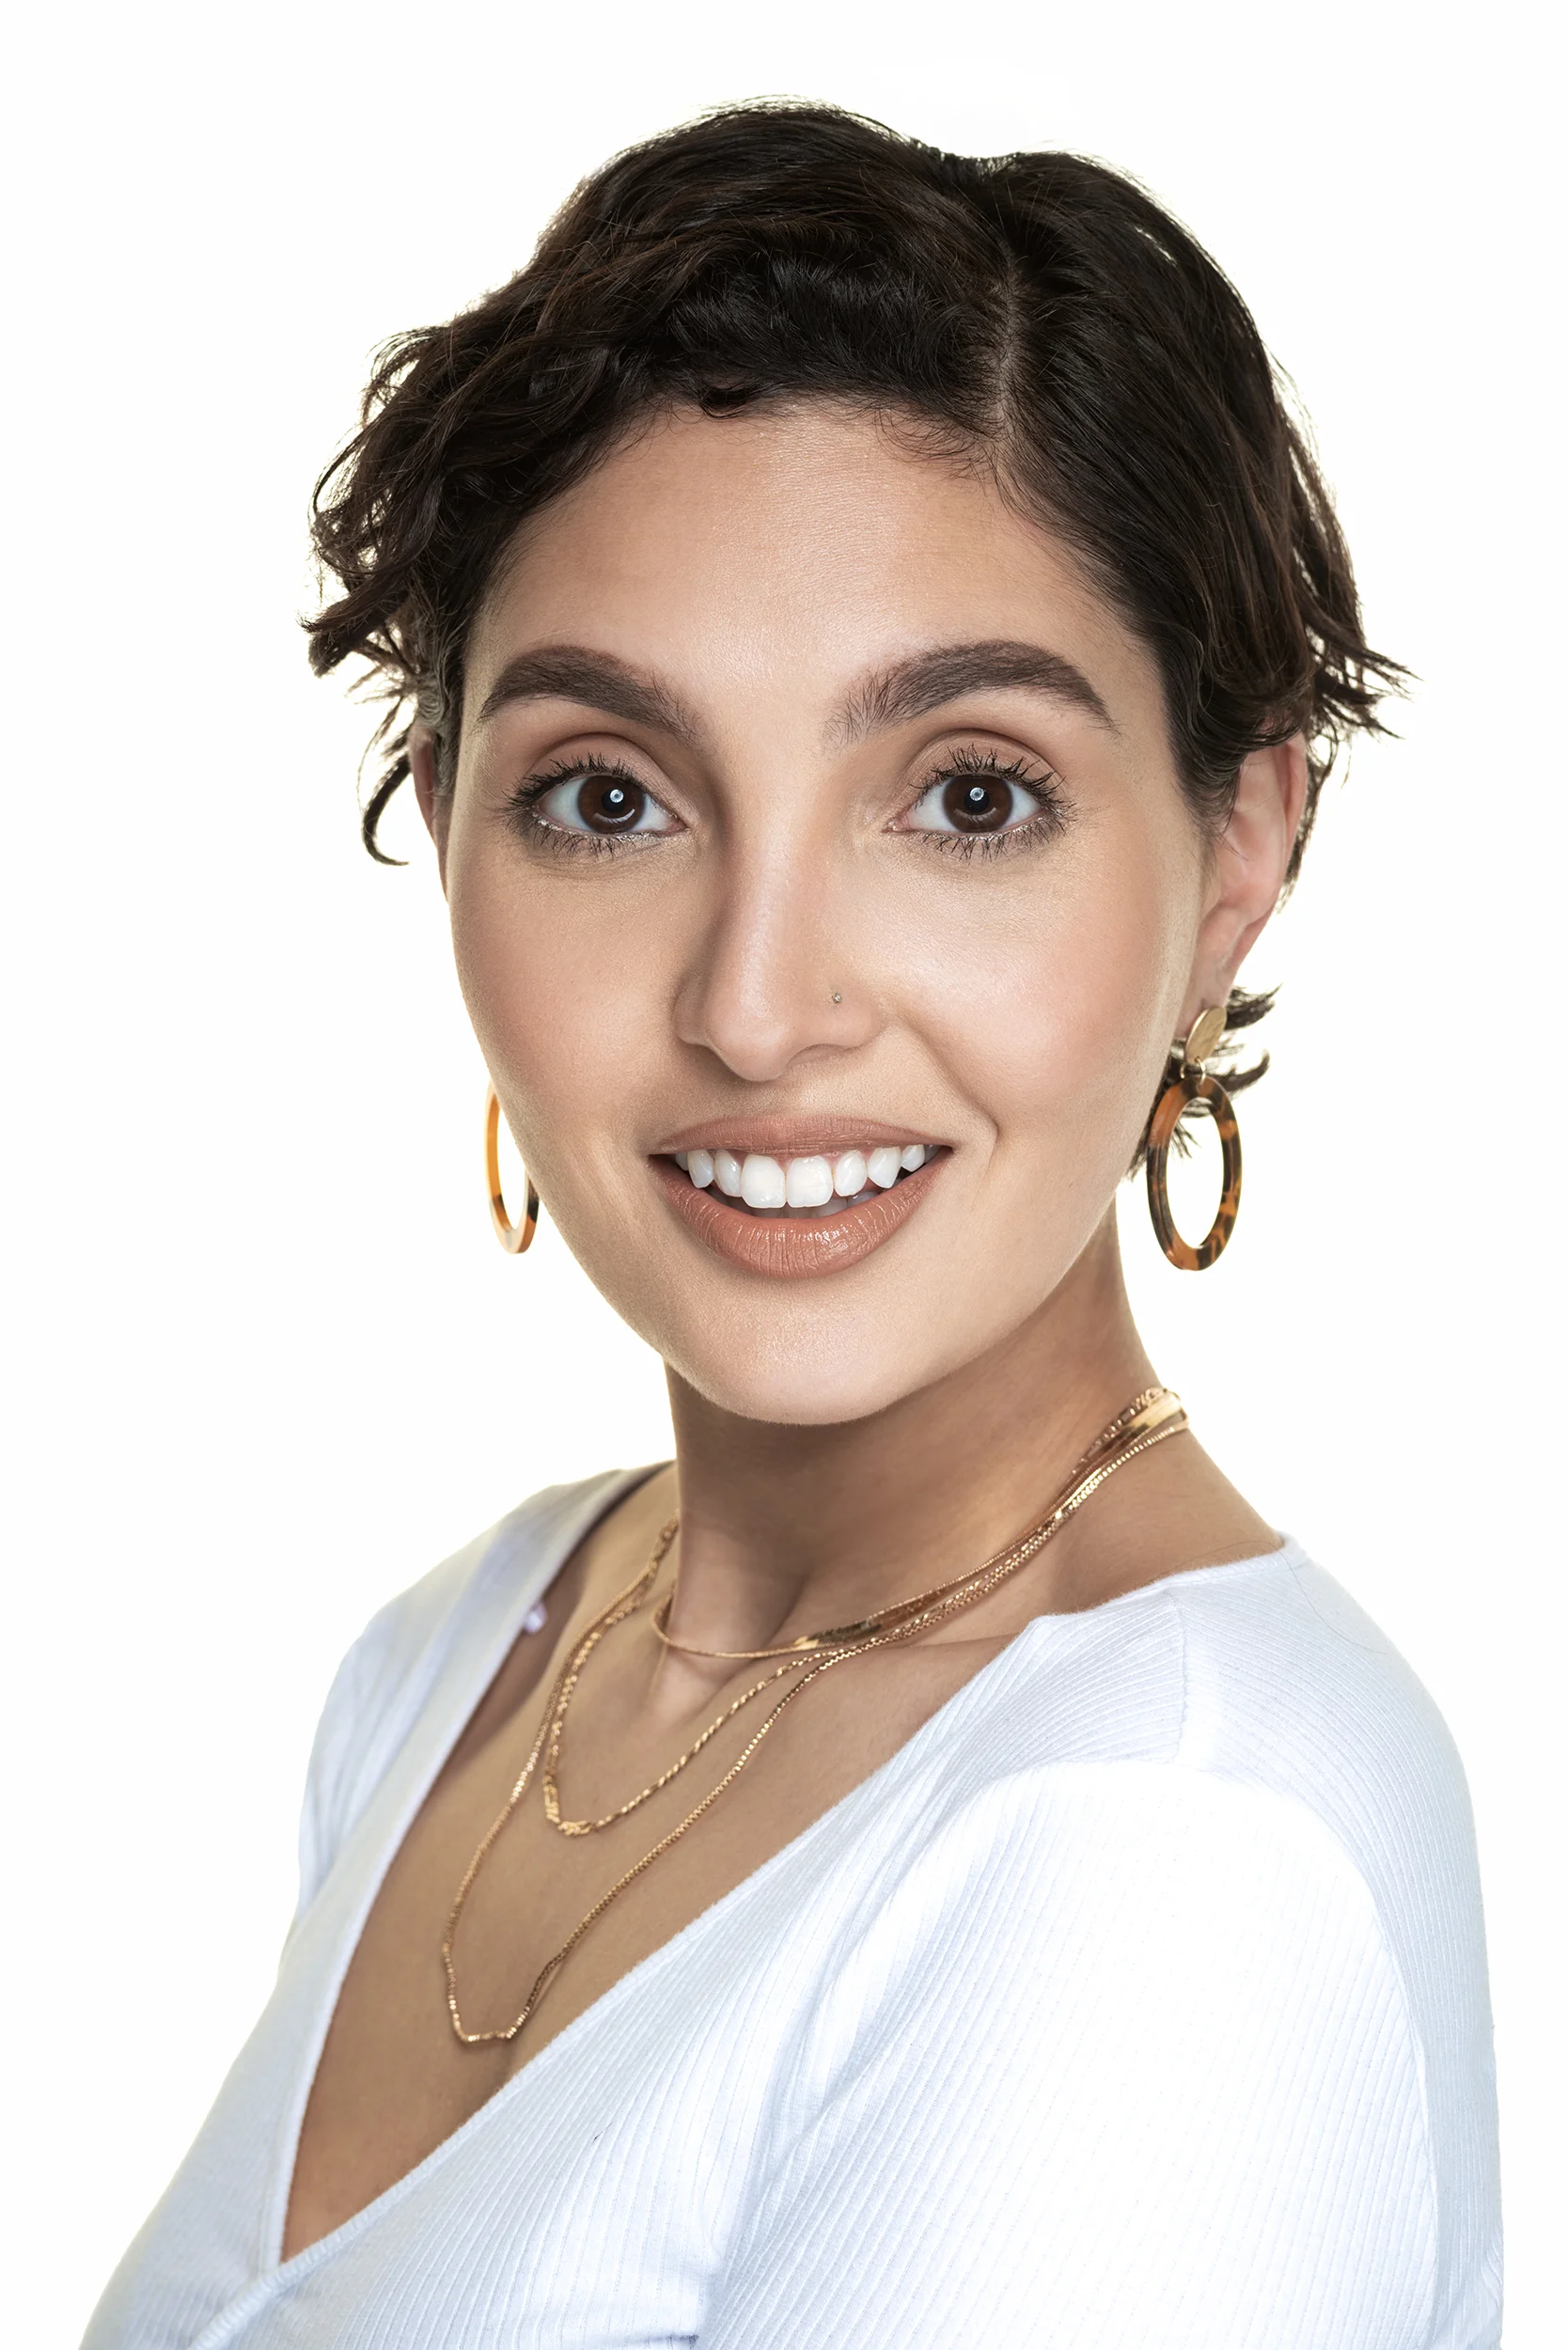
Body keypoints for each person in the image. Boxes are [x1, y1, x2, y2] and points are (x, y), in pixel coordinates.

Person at [85, 102, 1501, 2349]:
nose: (759, 1006)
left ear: (1237, 852)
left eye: (970, 796)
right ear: (445, 825)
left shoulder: (1175, 1834)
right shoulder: (467, 1655)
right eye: (608, 797)